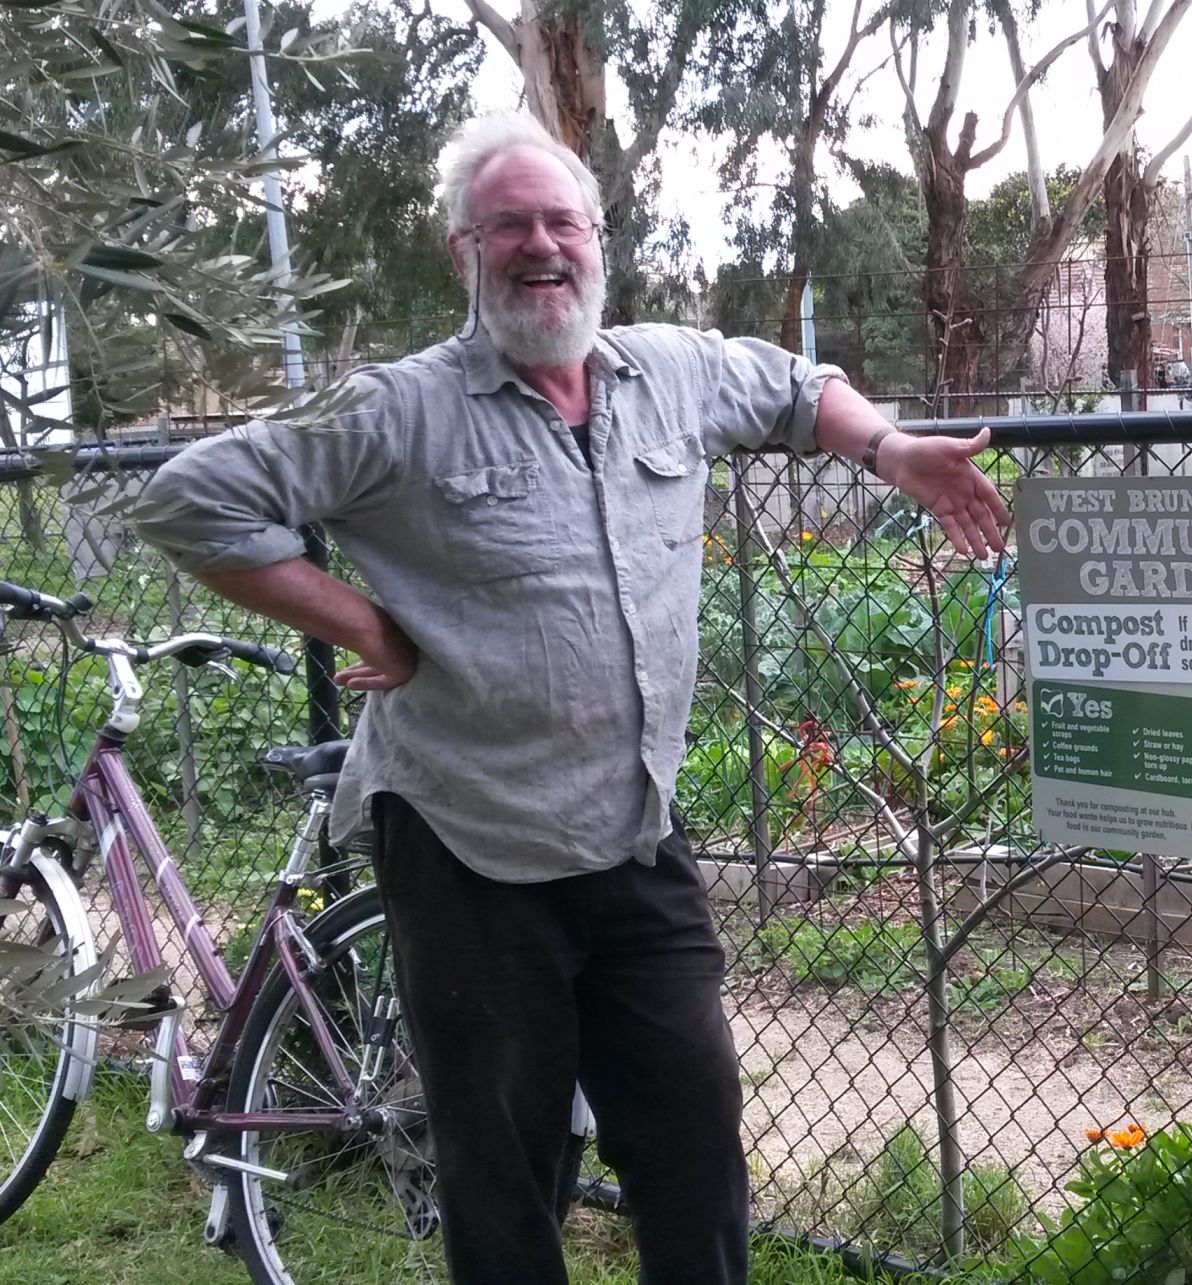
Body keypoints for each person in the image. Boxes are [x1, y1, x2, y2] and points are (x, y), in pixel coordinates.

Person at [131, 111, 1009, 1285]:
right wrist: (364, 620)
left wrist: (892, 449)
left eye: (562, 222)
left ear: (599, 239)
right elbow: (189, 499)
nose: (541, 246)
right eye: (509, 226)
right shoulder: (394, 408)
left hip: (634, 840)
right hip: (470, 849)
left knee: (695, 1156)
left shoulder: (670, 372)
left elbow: (798, 387)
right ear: (463, 251)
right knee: (504, 1177)